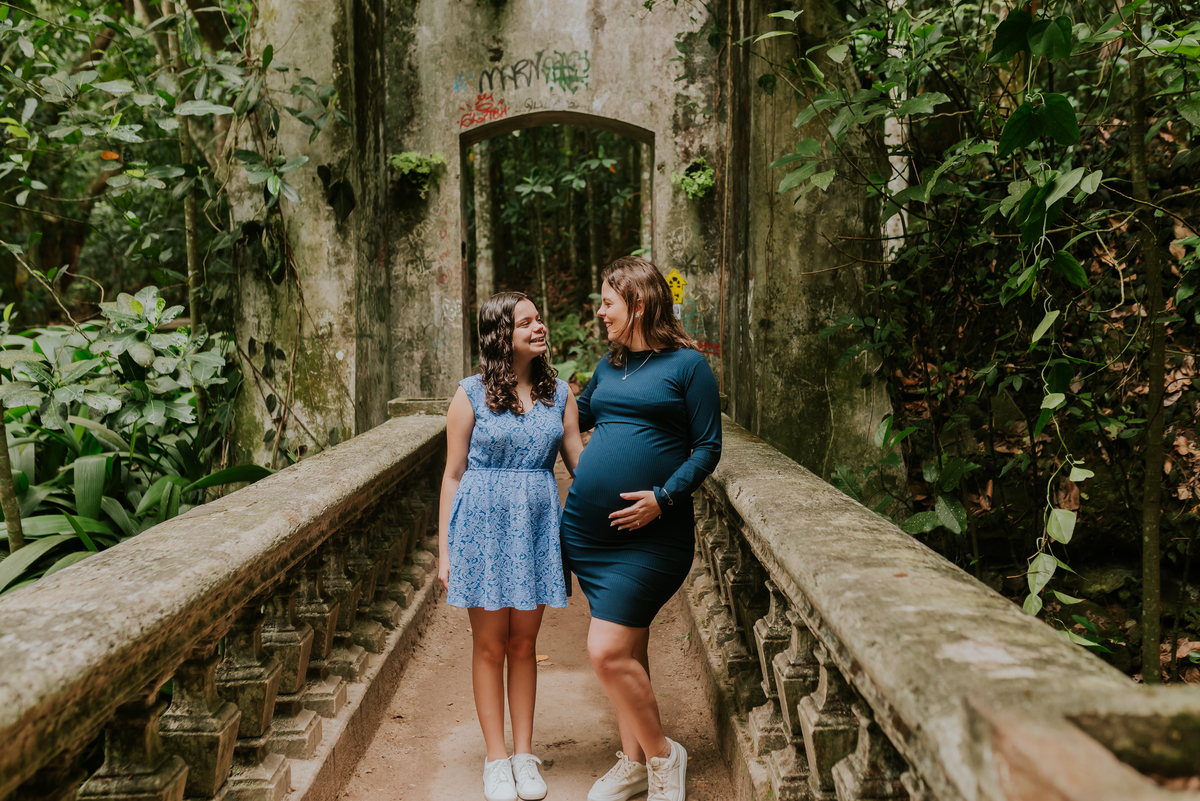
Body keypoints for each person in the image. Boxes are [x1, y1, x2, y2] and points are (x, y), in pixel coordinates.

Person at [561, 257, 722, 801]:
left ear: (639, 302)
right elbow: (574, 418)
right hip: (593, 538)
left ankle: (663, 756)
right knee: (628, 650)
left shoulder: (688, 367)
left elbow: (708, 448)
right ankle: (632, 764)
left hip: (652, 537)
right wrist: (506, 395)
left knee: (606, 652)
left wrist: (663, 497)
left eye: (607, 302)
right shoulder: (609, 367)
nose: (600, 312)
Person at [438, 292, 583, 801]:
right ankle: (495, 759)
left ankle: (524, 754)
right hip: (480, 525)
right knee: (489, 645)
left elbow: (578, 465)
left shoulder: (561, 393)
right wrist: (445, 552)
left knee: (524, 644)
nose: (539, 327)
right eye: (526, 322)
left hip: (536, 524)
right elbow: (452, 475)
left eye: (540, 318)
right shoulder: (470, 393)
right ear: (502, 334)